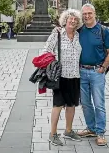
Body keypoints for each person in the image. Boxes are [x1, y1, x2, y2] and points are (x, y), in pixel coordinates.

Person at [77, 3, 109, 146]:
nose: (87, 16)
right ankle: (91, 128)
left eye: (89, 13)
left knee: (99, 104)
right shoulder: (80, 31)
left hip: (96, 72)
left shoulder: (103, 31)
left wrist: (104, 67)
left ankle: (100, 133)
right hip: (81, 71)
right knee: (86, 104)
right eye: (84, 14)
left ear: (94, 14)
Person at [44, 9, 83, 146]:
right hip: (60, 76)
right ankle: (53, 134)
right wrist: (53, 62)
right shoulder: (57, 34)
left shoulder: (79, 35)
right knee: (58, 105)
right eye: (70, 19)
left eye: (75, 20)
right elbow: (46, 50)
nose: (73, 21)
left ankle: (68, 130)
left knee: (71, 105)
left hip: (75, 75)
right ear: (65, 20)